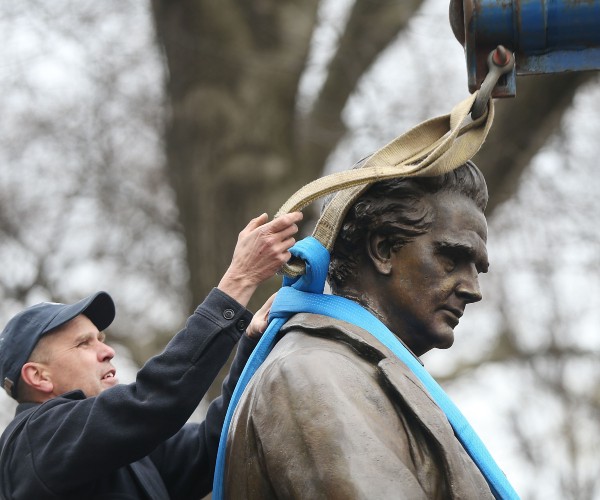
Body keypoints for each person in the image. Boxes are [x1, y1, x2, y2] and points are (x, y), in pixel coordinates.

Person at [224, 162, 496, 498]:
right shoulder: (314, 373)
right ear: (383, 249)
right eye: (452, 258)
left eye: (478, 270)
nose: (473, 289)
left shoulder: (361, 376)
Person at [0, 211, 303, 500]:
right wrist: (239, 279)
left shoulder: (128, 454)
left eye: (101, 339)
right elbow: (153, 400)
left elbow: (218, 443)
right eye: (83, 344)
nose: (107, 351)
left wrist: (252, 342)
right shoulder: (34, 441)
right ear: (38, 376)